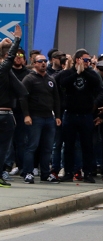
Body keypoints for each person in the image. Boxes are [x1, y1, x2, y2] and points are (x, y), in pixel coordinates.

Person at [56, 48, 103, 183]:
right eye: (85, 60)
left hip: (86, 115)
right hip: (70, 114)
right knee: (69, 145)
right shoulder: (68, 73)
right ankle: (68, 172)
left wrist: (84, 73)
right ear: (77, 60)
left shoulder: (92, 74)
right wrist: (76, 73)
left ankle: (88, 172)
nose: (88, 62)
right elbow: (61, 83)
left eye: (89, 60)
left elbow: (98, 85)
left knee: (87, 145)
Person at [20, 52, 62, 184]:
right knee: (32, 146)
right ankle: (28, 173)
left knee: (47, 147)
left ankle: (45, 174)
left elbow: (56, 99)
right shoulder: (29, 79)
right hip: (35, 117)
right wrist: (26, 115)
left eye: (45, 61)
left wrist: (58, 116)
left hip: (49, 117)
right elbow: (23, 98)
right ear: (34, 64)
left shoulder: (50, 79)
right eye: (40, 61)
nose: (43, 63)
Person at [0, 25, 24, 187]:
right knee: (3, 148)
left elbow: (7, 58)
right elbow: (9, 59)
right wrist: (17, 39)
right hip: (5, 114)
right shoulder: (3, 70)